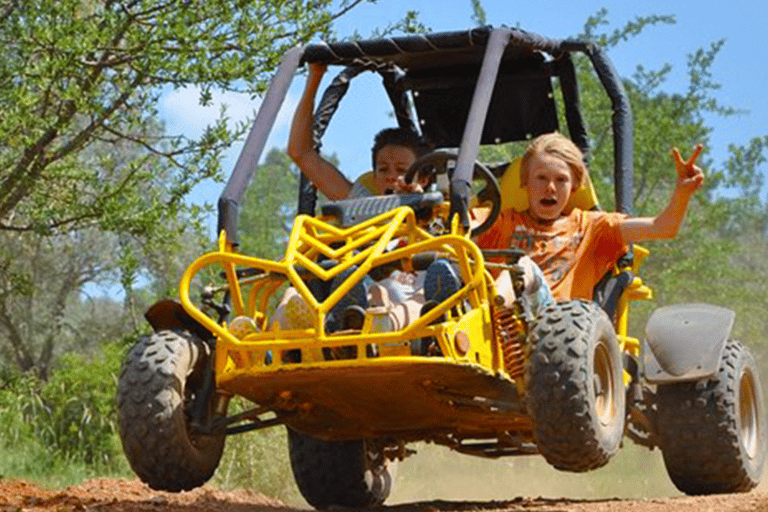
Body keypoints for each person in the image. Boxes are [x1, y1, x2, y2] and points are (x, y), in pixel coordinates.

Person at [465, 131, 705, 309]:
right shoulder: (501, 220)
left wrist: (682, 194)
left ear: (574, 188)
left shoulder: (591, 227)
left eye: (561, 180)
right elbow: (459, 229)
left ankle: (493, 312)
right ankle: (427, 333)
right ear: (525, 183)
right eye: (541, 178)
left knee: (521, 268)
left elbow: (663, 228)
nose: (550, 188)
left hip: (556, 326)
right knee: (441, 264)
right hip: (490, 329)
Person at [287, 62, 426, 199]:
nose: (391, 177)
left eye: (402, 170)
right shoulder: (362, 203)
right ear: (375, 177)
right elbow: (300, 152)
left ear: (422, 180)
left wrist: (419, 203)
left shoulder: (438, 212)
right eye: (383, 169)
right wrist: (315, 76)